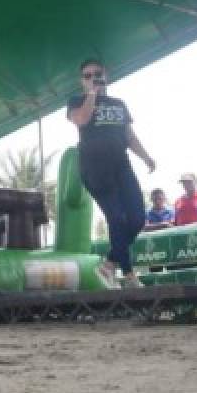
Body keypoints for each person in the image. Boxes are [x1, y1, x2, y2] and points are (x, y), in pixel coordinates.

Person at [66, 59, 156, 288]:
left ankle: (110, 262)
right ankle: (128, 274)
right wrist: (92, 94)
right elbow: (82, 119)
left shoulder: (119, 103)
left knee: (136, 219)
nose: (93, 77)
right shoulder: (76, 101)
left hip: (122, 165)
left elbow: (129, 136)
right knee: (117, 218)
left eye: (97, 73)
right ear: (82, 81)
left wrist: (145, 156)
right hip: (95, 168)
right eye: (87, 75)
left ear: (106, 75)